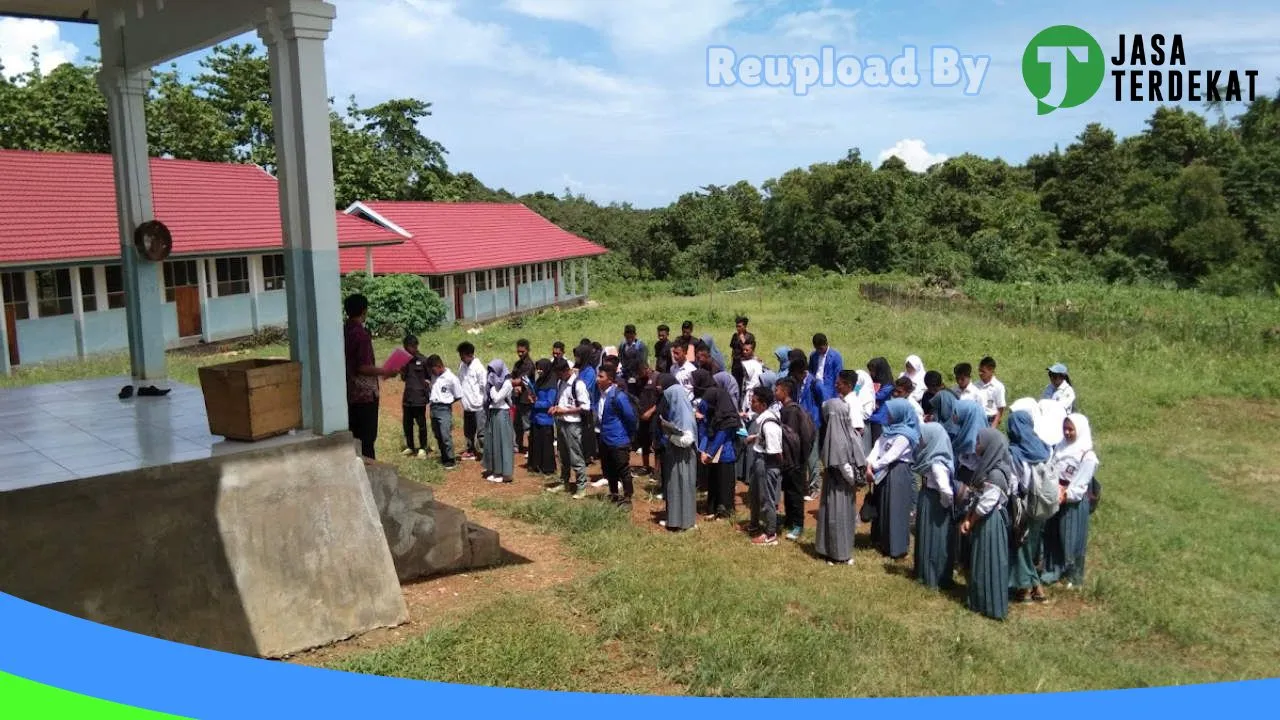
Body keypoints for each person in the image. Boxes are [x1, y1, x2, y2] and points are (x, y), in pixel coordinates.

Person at [959, 428, 1013, 621]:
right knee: (982, 560)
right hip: (986, 522)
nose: (977, 445)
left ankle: (989, 604)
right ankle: (981, 600)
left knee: (989, 560)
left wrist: (969, 521)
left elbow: (986, 505)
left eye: (979, 442)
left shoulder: (996, 474)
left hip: (989, 523)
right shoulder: (993, 467)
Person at [1041, 413, 1097, 589]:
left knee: (1071, 536)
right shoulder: (1060, 446)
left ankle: (1073, 575)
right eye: (1065, 428)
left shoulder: (1087, 456)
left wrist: (1065, 495)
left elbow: (1080, 484)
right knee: (1052, 533)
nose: (1067, 432)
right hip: (1055, 496)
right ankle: (1053, 569)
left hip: (1072, 502)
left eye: (1071, 429)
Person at [343, 294, 397, 460]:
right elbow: (363, 367)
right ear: (364, 311)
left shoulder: (344, 331)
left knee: (354, 437)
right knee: (367, 441)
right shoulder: (361, 335)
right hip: (365, 395)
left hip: (348, 392)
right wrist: (385, 371)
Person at [815, 391, 865, 566]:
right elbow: (843, 464)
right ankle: (839, 553)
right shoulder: (843, 433)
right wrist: (854, 482)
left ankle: (828, 549)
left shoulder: (833, 433)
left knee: (833, 515)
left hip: (835, 483)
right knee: (839, 517)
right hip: (841, 484)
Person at [864, 398, 917, 560]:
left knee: (896, 508)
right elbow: (877, 446)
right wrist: (869, 463)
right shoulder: (888, 430)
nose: (888, 415)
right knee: (883, 505)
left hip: (897, 473)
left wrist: (874, 466)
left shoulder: (906, 435)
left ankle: (897, 547)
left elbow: (891, 456)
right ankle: (882, 540)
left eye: (892, 413)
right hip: (882, 471)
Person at [1007, 410, 1052, 603]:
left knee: (1021, 545)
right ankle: (1037, 588)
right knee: (1032, 544)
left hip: (1024, 504)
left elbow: (1016, 483)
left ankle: (1025, 587)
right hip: (1042, 505)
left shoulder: (1015, 452)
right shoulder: (1043, 447)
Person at [912, 422, 956, 590]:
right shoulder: (931, 456)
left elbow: (945, 489)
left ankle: (933, 574)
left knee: (934, 539)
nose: (920, 440)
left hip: (935, 502)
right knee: (929, 536)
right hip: (930, 499)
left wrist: (946, 505)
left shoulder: (937, 463)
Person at [775, 378, 814, 542]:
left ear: (785, 392)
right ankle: (790, 520)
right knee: (789, 491)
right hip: (793, 459)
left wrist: (788, 457)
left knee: (795, 493)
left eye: (777, 390)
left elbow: (791, 438)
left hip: (794, 460)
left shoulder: (790, 411)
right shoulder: (789, 409)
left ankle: (798, 524)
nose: (774, 392)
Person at [659, 373, 698, 531]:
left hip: (683, 457)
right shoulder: (680, 412)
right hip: (676, 456)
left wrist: (670, 437)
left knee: (682, 486)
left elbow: (687, 440)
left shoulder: (685, 417)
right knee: (675, 486)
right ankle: (675, 519)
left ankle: (684, 522)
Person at [698, 375, 741, 520]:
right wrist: (702, 450)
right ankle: (712, 508)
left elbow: (722, 435)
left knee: (724, 483)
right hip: (712, 454)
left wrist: (709, 453)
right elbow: (704, 430)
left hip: (725, 454)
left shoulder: (728, 417)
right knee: (713, 482)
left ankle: (724, 511)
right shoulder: (712, 412)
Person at [548, 358, 591, 498]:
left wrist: (564, 411)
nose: (557, 377)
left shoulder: (578, 385)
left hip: (573, 424)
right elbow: (562, 401)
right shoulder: (561, 382)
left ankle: (581, 486)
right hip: (561, 423)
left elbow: (585, 407)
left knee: (575, 455)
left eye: (559, 373)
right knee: (563, 455)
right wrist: (556, 408)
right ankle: (564, 481)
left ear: (566, 370)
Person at [745, 386, 783, 546]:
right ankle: (754, 525)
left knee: (767, 499)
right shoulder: (763, 419)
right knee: (754, 494)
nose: (750, 403)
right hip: (760, 459)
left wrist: (776, 470)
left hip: (767, 463)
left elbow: (776, 451)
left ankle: (770, 533)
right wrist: (755, 438)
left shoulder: (769, 424)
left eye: (754, 401)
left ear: (763, 404)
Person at [597, 365, 638, 508]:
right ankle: (614, 493)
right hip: (605, 438)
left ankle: (627, 497)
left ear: (610, 380)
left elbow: (630, 417)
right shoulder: (601, 394)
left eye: (601, 377)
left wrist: (628, 434)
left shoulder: (618, 396)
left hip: (618, 439)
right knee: (609, 469)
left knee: (623, 469)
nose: (598, 379)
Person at [788, 348, 825, 499]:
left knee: (812, 457)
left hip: (812, 424)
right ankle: (803, 485)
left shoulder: (815, 384)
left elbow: (823, 402)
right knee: (801, 455)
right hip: (799, 422)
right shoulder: (797, 383)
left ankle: (815, 487)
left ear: (801, 372)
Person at [482, 359, 515, 484]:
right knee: (494, 442)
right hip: (493, 414)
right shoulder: (493, 384)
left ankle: (506, 473)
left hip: (502, 413)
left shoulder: (507, 384)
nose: (491, 374)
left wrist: (491, 387)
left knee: (503, 443)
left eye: (493, 371)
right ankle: (496, 470)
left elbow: (496, 398)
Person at [426, 354, 462, 469]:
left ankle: (450, 459)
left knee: (445, 434)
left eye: (433, 369)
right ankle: (444, 456)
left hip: (444, 408)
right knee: (437, 434)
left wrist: (447, 402)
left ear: (439, 366)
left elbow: (458, 395)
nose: (432, 372)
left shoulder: (451, 378)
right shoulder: (434, 377)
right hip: (433, 407)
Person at [399, 334, 431, 459]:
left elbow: (429, 378)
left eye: (411, 347)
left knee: (421, 424)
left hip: (419, 398)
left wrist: (426, 389)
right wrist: (401, 370)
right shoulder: (404, 360)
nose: (409, 350)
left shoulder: (423, 360)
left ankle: (423, 447)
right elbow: (403, 378)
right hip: (408, 396)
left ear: (416, 346)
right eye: (407, 347)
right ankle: (410, 446)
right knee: (407, 423)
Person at [527, 359, 558, 478]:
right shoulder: (539, 381)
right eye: (538, 368)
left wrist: (535, 403)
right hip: (535, 417)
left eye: (541, 368)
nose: (539, 371)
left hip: (545, 419)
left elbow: (549, 403)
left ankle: (547, 467)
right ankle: (536, 465)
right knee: (535, 442)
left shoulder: (551, 385)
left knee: (545, 445)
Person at [457, 342, 487, 462]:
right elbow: (460, 381)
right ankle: (470, 451)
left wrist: (482, 401)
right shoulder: (462, 366)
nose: (461, 358)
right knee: (468, 431)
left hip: (478, 405)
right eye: (460, 355)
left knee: (481, 432)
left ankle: (485, 453)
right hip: (467, 405)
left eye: (463, 355)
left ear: (470, 354)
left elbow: (484, 386)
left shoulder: (478, 368)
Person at [634, 363, 659, 477]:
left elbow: (660, 400)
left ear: (647, 369)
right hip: (642, 416)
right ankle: (645, 466)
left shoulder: (657, 378)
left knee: (655, 443)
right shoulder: (639, 380)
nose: (639, 375)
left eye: (640, 373)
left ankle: (657, 470)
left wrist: (650, 412)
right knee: (644, 443)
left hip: (654, 416)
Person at [512, 339, 535, 454]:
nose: (520, 353)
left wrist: (514, 383)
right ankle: (517, 445)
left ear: (527, 350)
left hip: (526, 399)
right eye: (518, 351)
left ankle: (532, 448)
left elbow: (521, 380)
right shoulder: (517, 364)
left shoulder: (529, 365)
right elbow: (512, 378)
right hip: (517, 398)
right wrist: (514, 384)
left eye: (522, 351)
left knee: (528, 425)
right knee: (517, 424)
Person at [865, 357, 896, 444]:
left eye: (873, 371)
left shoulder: (888, 385)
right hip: (870, 416)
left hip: (880, 419)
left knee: (877, 444)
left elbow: (878, 396)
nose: (871, 373)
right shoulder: (870, 380)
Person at [808, 333, 843, 401]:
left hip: (829, 390)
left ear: (826, 344)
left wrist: (838, 394)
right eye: (817, 349)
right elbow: (811, 371)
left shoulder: (836, 357)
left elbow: (838, 375)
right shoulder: (813, 355)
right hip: (815, 387)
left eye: (820, 348)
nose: (819, 351)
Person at [974, 356, 1007, 428]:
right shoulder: (975, 386)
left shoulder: (998, 386)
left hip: (990, 422)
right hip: (976, 421)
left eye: (983, 371)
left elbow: (1000, 408)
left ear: (991, 371)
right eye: (979, 370)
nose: (980, 373)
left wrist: (993, 426)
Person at [619, 324, 648, 399]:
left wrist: (636, 377)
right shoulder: (623, 345)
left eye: (631, 334)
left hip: (637, 377)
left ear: (635, 334)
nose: (629, 337)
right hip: (626, 376)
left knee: (636, 397)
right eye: (627, 334)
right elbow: (621, 359)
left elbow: (643, 363)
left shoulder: (641, 346)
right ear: (624, 334)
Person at [729, 316, 757, 393]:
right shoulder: (735, 336)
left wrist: (743, 340)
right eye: (737, 326)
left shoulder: (750, 337)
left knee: (744, 384)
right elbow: (733, 348)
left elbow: (749, 349)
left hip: (745, 363)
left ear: (745, 326)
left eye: (740, 326)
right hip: (736, 363)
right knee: (735, 383)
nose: (738, 328)